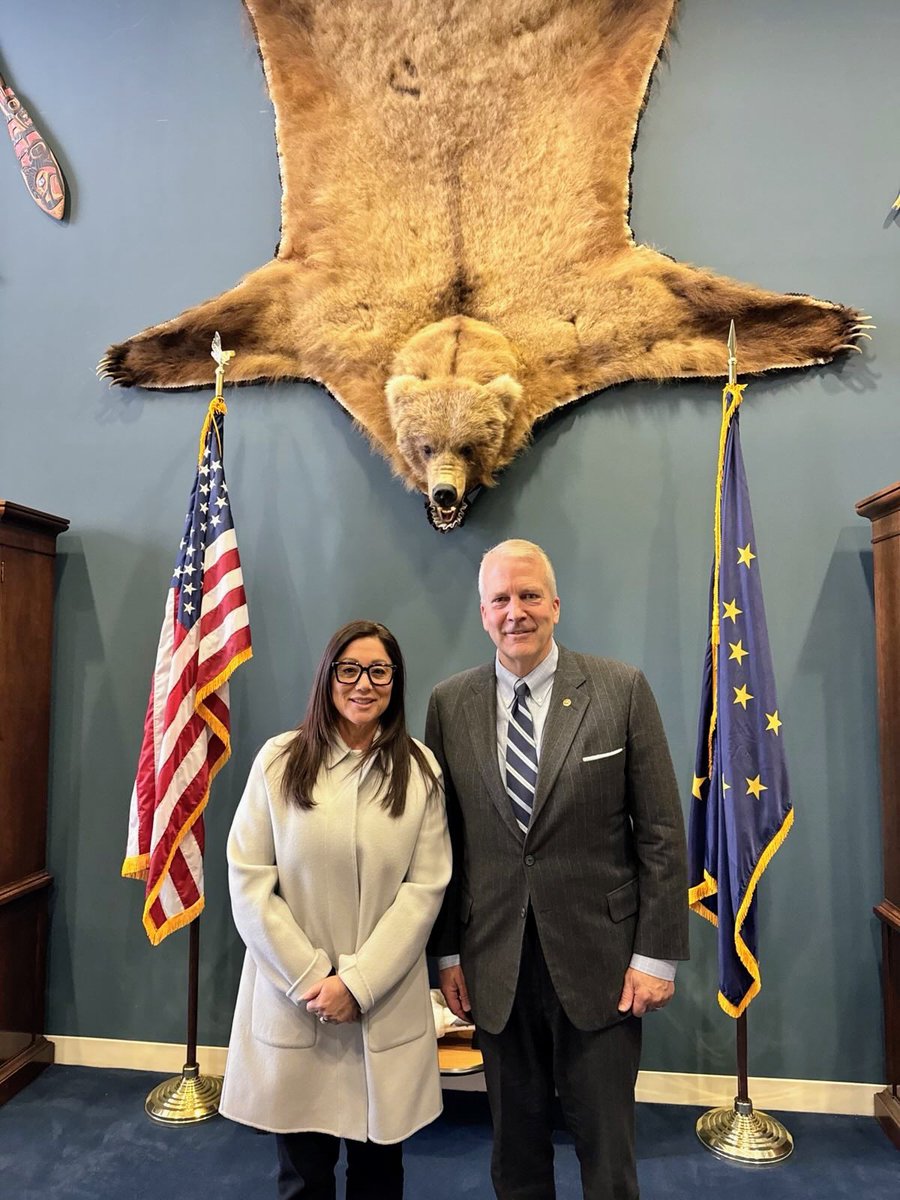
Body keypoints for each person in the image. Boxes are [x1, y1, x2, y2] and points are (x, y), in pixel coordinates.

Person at [426, 540, 688, 1200]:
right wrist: (449, 954)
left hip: (602, 963)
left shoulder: (620, 689)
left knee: (607, 1152)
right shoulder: (448, 705)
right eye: (501, 600)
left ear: (556, 606)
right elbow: (442, 842)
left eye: (529, 596)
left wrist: (656, 957)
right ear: (483, 614)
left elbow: (659, 832)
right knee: (515, 1150)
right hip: (494, 965)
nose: (516, 611)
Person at [220, 620, 451, 1200]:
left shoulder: (420, 771)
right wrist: (312, 978)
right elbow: (249, 882)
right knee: (303, 1177)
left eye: (379, 671)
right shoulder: (279, 761)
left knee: (380, 1177)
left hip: (382, 1003)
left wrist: (358, 982)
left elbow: (424, 890)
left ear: (395, 682)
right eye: (349, 669)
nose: (363, 684)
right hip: (296, 1000)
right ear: (328, 678)